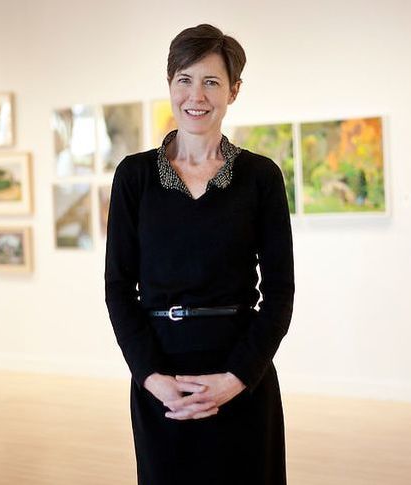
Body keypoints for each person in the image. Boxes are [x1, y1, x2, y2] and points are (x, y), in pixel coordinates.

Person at [105, 24, 294, 485]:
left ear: (234, 90)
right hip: (161, 381)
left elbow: (280, 293)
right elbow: (118, 289)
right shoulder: (134, 177)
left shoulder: (260, 177)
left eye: (211, 82)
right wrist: (151, 378)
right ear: (169, 84)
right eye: (184, 80)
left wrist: (235, 379)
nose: (196, 96)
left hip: (241, 376)